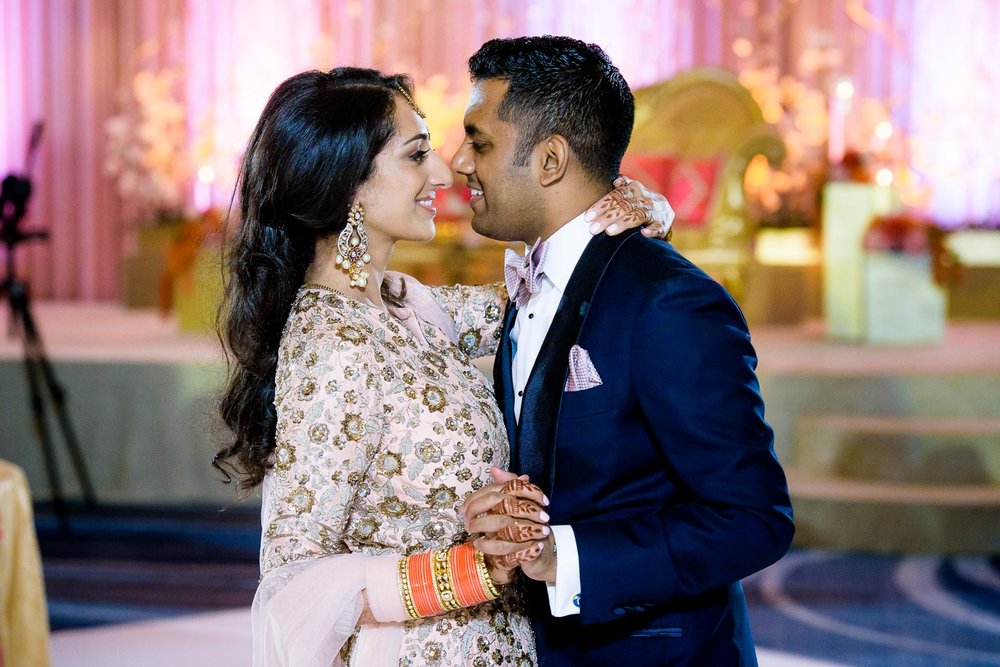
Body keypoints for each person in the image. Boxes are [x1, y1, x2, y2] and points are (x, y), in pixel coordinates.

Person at [213, 67, 672, 666]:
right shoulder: (330, 345)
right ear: (347, 184)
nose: (442, 171)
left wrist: (630, 211)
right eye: (416, 155)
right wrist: (473, 569)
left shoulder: (408, 305)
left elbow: (547, 296)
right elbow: (292, 578)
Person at [456, 36, 795, 666]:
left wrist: (564, 556)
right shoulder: (529, 282)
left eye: (479, 142)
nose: (459, 162)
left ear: (550, 158)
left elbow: (754, 518)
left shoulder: (668, 304)